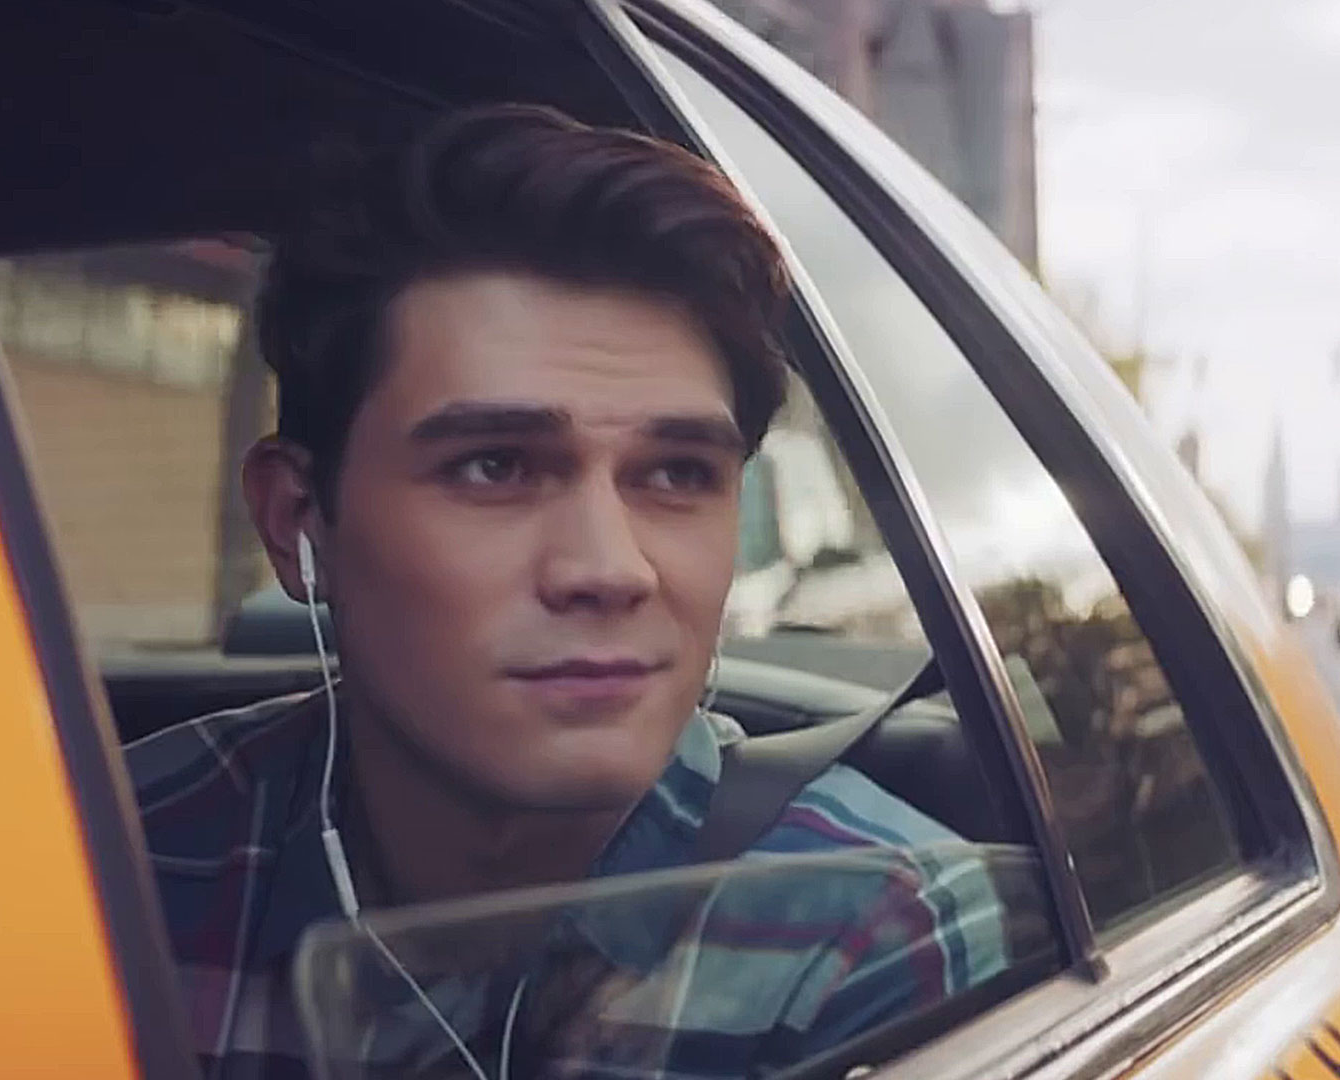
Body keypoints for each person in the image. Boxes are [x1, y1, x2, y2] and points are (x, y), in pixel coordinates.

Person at [129, 105, 1007, 1079]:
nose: (611, 568)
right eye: (495, 466)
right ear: (299, 519)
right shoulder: (113, 863)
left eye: (677, 474)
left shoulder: (862, 930)